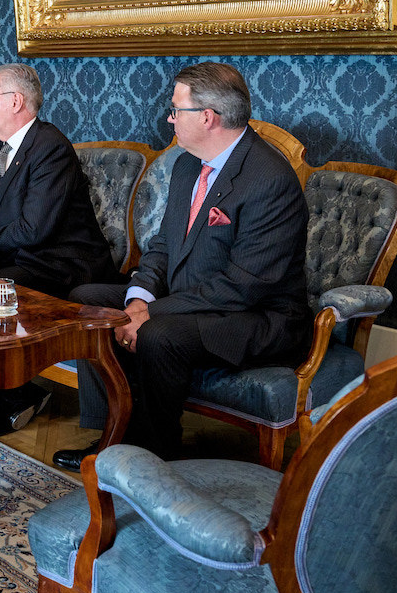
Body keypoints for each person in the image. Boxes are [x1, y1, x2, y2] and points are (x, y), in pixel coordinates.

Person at [53, 62, 312, 468]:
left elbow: (242, 287)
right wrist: (138, 296)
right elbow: (163, 245)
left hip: (257, 316)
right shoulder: (188, 162)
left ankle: (155, 454)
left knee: (158, 333)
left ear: (207, 117)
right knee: (89, 303)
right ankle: (114, 436)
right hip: (192, 296)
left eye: (176, 110)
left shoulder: (268, 180)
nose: (169, 118)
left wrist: (147, 312)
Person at [0, 64, 121, 437]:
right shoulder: (9, 147)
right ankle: (15, 390)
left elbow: (35, 229)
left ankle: (10, 396)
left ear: (15, 101)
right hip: (32, 259)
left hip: (68, 264)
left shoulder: (50, 148)